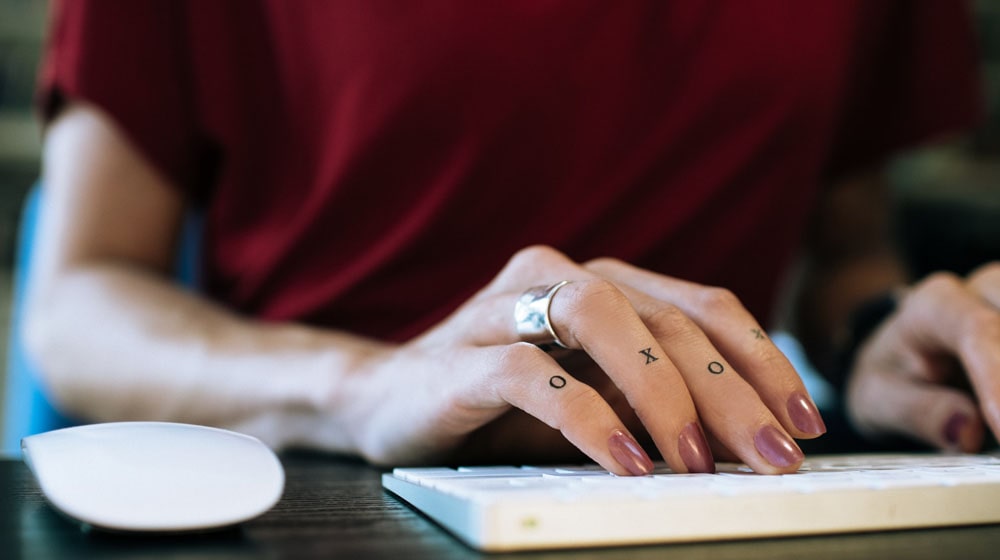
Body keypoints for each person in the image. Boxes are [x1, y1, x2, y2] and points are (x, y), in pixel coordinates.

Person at [23, 0, 995, 477]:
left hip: (691, 500)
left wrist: (882, 335)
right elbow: (78, 302)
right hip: (334, 491)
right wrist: (370, 386)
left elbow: (847, 243)